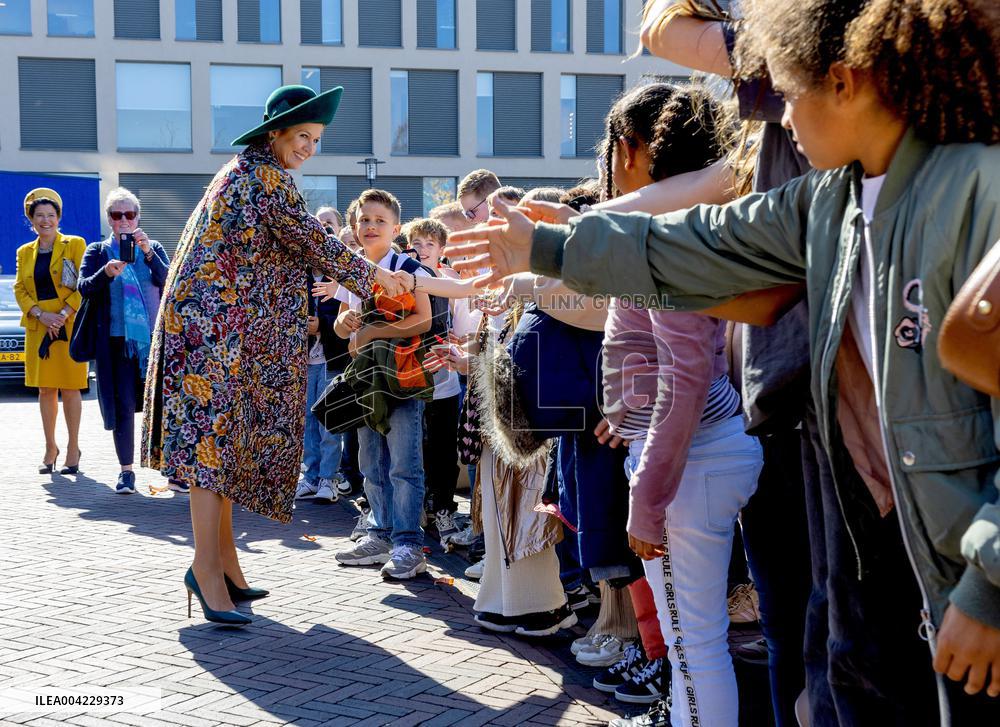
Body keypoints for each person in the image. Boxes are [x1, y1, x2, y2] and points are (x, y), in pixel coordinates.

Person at [447, 0, 1000, 721]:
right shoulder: (827, 200)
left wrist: (987, 586)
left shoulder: (979, 191)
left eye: (787, 93)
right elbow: (701, 243)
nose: (779, 122)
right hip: (873, 541)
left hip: (965, 571)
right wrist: (546, 249)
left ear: (846, 81)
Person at [141, 85, 404, 626]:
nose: (310, 147)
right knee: (213, 455)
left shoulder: (249, 171)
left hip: (217, 330)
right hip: (215, 333)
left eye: (316, 139)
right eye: (303, 136)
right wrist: (378, 275)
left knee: (224, 449)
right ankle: (205, 570)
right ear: (275, 133)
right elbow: (314, 241)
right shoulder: (262, 176)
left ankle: (227, 567)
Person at [332, 189, 433, 580]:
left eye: (379, 220)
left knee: (405, 463)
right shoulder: (352, 268)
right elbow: (342, 322)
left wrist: (375, 330)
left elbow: (424, 320)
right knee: (369, 459)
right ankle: (379, 531)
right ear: (355, 226)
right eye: (364, 220)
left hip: (401, 377)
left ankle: (408, 541)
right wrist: (348, 325)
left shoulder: (408, 268)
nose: (371, 226)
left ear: (396, 227)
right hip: (364, 378)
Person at [78, 188, 171, 494]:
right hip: (116, 342)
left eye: (129, 215)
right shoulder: (97, 251)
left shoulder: (152, 246)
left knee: (163, 407)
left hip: (153, 345)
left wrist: (147, 252)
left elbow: (169, 281)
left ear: (138, 217)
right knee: (123, 406)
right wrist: (105, 273)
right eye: (117, 215)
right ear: (108, 219)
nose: (123, 221)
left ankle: (172, 470)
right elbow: (84, 288)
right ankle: (126, 471)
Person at [14, 188, 88, 475]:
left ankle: (73, 447)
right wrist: (40, 314)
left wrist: (62, 314)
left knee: (71, 388)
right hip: (38, 325)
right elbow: (20, 287)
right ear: (31, 220)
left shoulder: (74, 244)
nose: (45, 220)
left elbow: (84, 284)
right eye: (39, 216)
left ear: (59, 218)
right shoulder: (24, 252)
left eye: (51, 215)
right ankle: (50, 447)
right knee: (45, 390)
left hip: (67, 324)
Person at [403, 218, 464, 546]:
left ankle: (443, 509)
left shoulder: (450, 280)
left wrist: (457, 338)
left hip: (446, 380)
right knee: (415, 449)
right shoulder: (405, 279)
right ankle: (419, 509)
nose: (423, 250)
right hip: (413, 380)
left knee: (443, 451)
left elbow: (464, 325)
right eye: (418, 243)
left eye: (430, 244)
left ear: (442, 249)